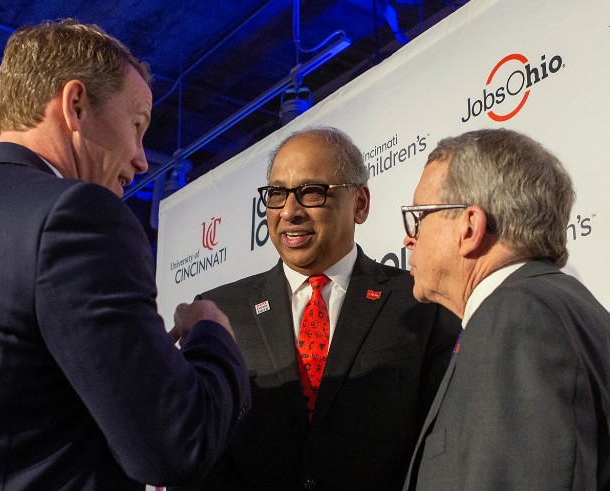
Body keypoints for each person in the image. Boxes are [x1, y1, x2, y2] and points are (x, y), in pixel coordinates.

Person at [0, 20, 250, 489]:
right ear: (76, 105)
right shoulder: (77, 215)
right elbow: (178, 446)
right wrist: (212, 334)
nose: (143, 159)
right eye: (137, 125)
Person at [400, 128, 610, 490]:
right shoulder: (553, 309)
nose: (408, 237)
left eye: (419, 217)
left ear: (470, 227)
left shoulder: (516, 318)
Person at [188, 127, 460, 490]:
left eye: (311, 192)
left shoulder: (420, 302)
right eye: (277, 194)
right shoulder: (218, 311)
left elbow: (445, 443)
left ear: (360, 204)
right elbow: (197, 449)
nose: (289, 212)